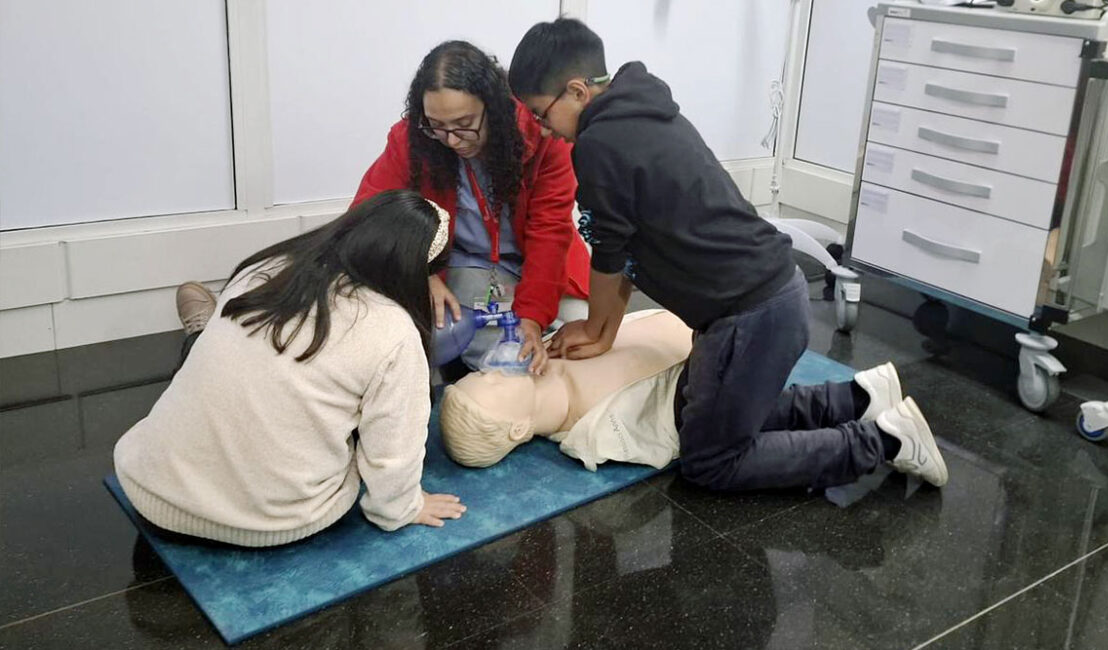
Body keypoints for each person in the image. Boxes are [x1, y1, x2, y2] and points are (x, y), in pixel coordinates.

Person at [506, 19, 948, 491]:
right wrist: (603, 331)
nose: (543, 130)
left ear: (577, 92)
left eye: (540, 114)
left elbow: (610, 255)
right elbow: (628, 247)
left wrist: (596, 330)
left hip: (750, 315)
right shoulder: (638, 112)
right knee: (703, 414)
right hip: (766, 298)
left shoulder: (599, 145)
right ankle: (860, 398)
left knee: (711, 460)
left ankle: (887, 442)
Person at [114, 190, 466, 547]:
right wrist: (403, 509)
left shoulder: (266, 268)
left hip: (151, 491)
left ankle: (202, 330)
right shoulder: (394, 331)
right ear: (412, 272)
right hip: (274, 522)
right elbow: (393, 450)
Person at [440, 310, 931, 493]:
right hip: (678, 388)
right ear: (517, 431)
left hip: (696, 357)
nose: (493, 372)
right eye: (492, 386)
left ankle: (865, 408)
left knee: (746, 422)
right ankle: (873, 420)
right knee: (740, 436)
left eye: (482, 376)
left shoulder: (537, 373)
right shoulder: (555, 412)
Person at [352, 40, 590, 376]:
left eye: (464, 123)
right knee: (495, 363)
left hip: (540, 263)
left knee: (579, 345)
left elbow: (549, 236)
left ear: (492, 108)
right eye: (436, 125)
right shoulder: (413, 139)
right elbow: (366, 214)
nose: (451, 139)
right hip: (462, 264)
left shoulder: (542, 137)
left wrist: (533, 318)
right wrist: (421, 272)